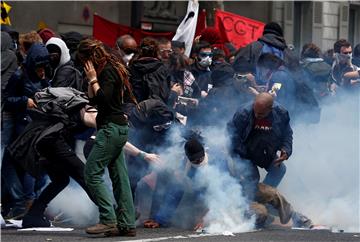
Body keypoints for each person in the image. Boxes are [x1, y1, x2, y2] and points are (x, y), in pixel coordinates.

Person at [77, 39, 137, 237]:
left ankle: (108, 219)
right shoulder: (103, 69)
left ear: (90, 57)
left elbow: (104, 98)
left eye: (83, 60)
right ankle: (127, 224)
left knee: (91, 173)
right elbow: (93, 100)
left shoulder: (108, 70)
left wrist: (94, 79)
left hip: (111, 129)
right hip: (114, 128)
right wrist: (90, 79)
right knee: (120, 177)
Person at [227, 93, 292, 188]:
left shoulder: (281, 113)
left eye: (261, 114)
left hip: (265, 150)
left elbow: (287, 133)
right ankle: (247, 197)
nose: (257, 115)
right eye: (255, 111)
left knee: (279, 170)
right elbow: (232, 136)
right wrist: (244, 156)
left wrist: (286, 149)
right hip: (244, 152)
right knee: (252, 179)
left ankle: (264, 197)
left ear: (270, 109)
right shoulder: (243, 113)